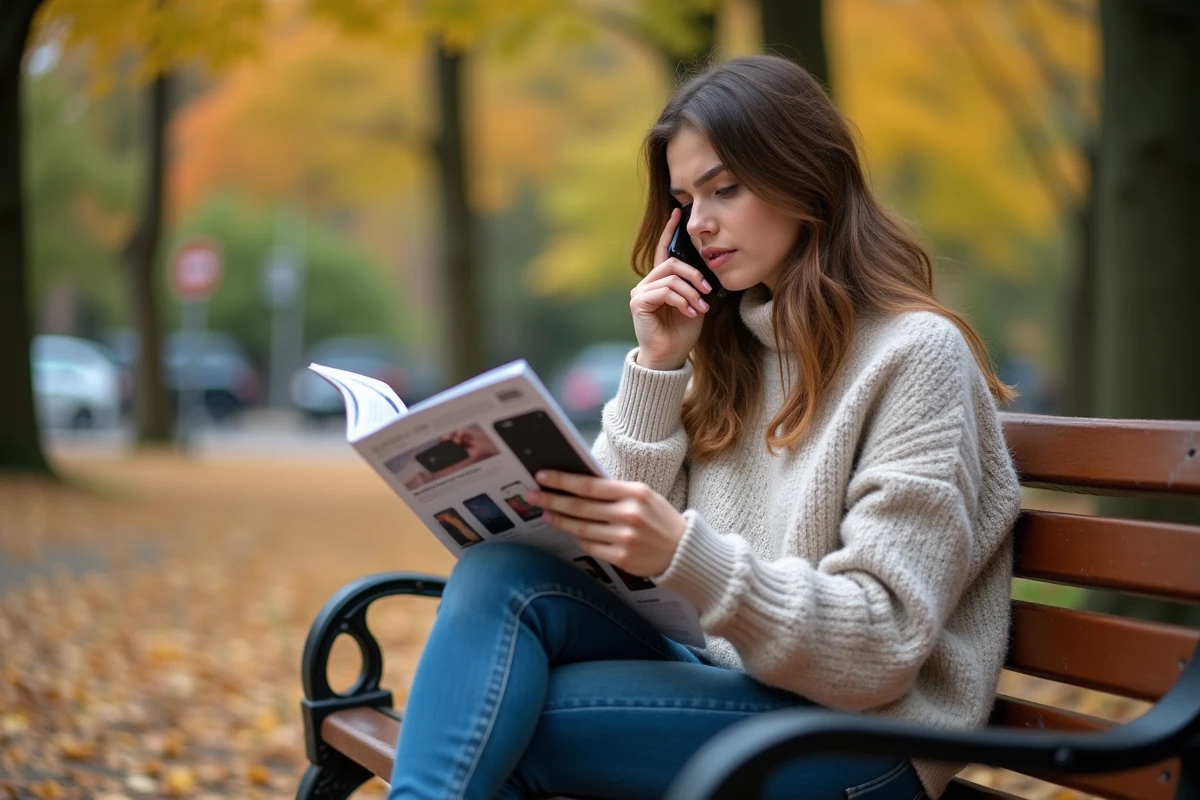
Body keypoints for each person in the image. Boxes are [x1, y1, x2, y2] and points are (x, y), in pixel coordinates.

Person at [387, 53, 1022, 800]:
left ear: (806, 176)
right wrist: (657, 367)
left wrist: (687, 554)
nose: (702, 224)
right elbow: (613, 562)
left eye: (725, 188)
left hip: (865, 740)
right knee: (501, 575)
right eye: (685, 200)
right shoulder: (729, 346)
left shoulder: (916, 356)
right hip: (727, 681)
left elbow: (879, 646)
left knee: (497, 716)